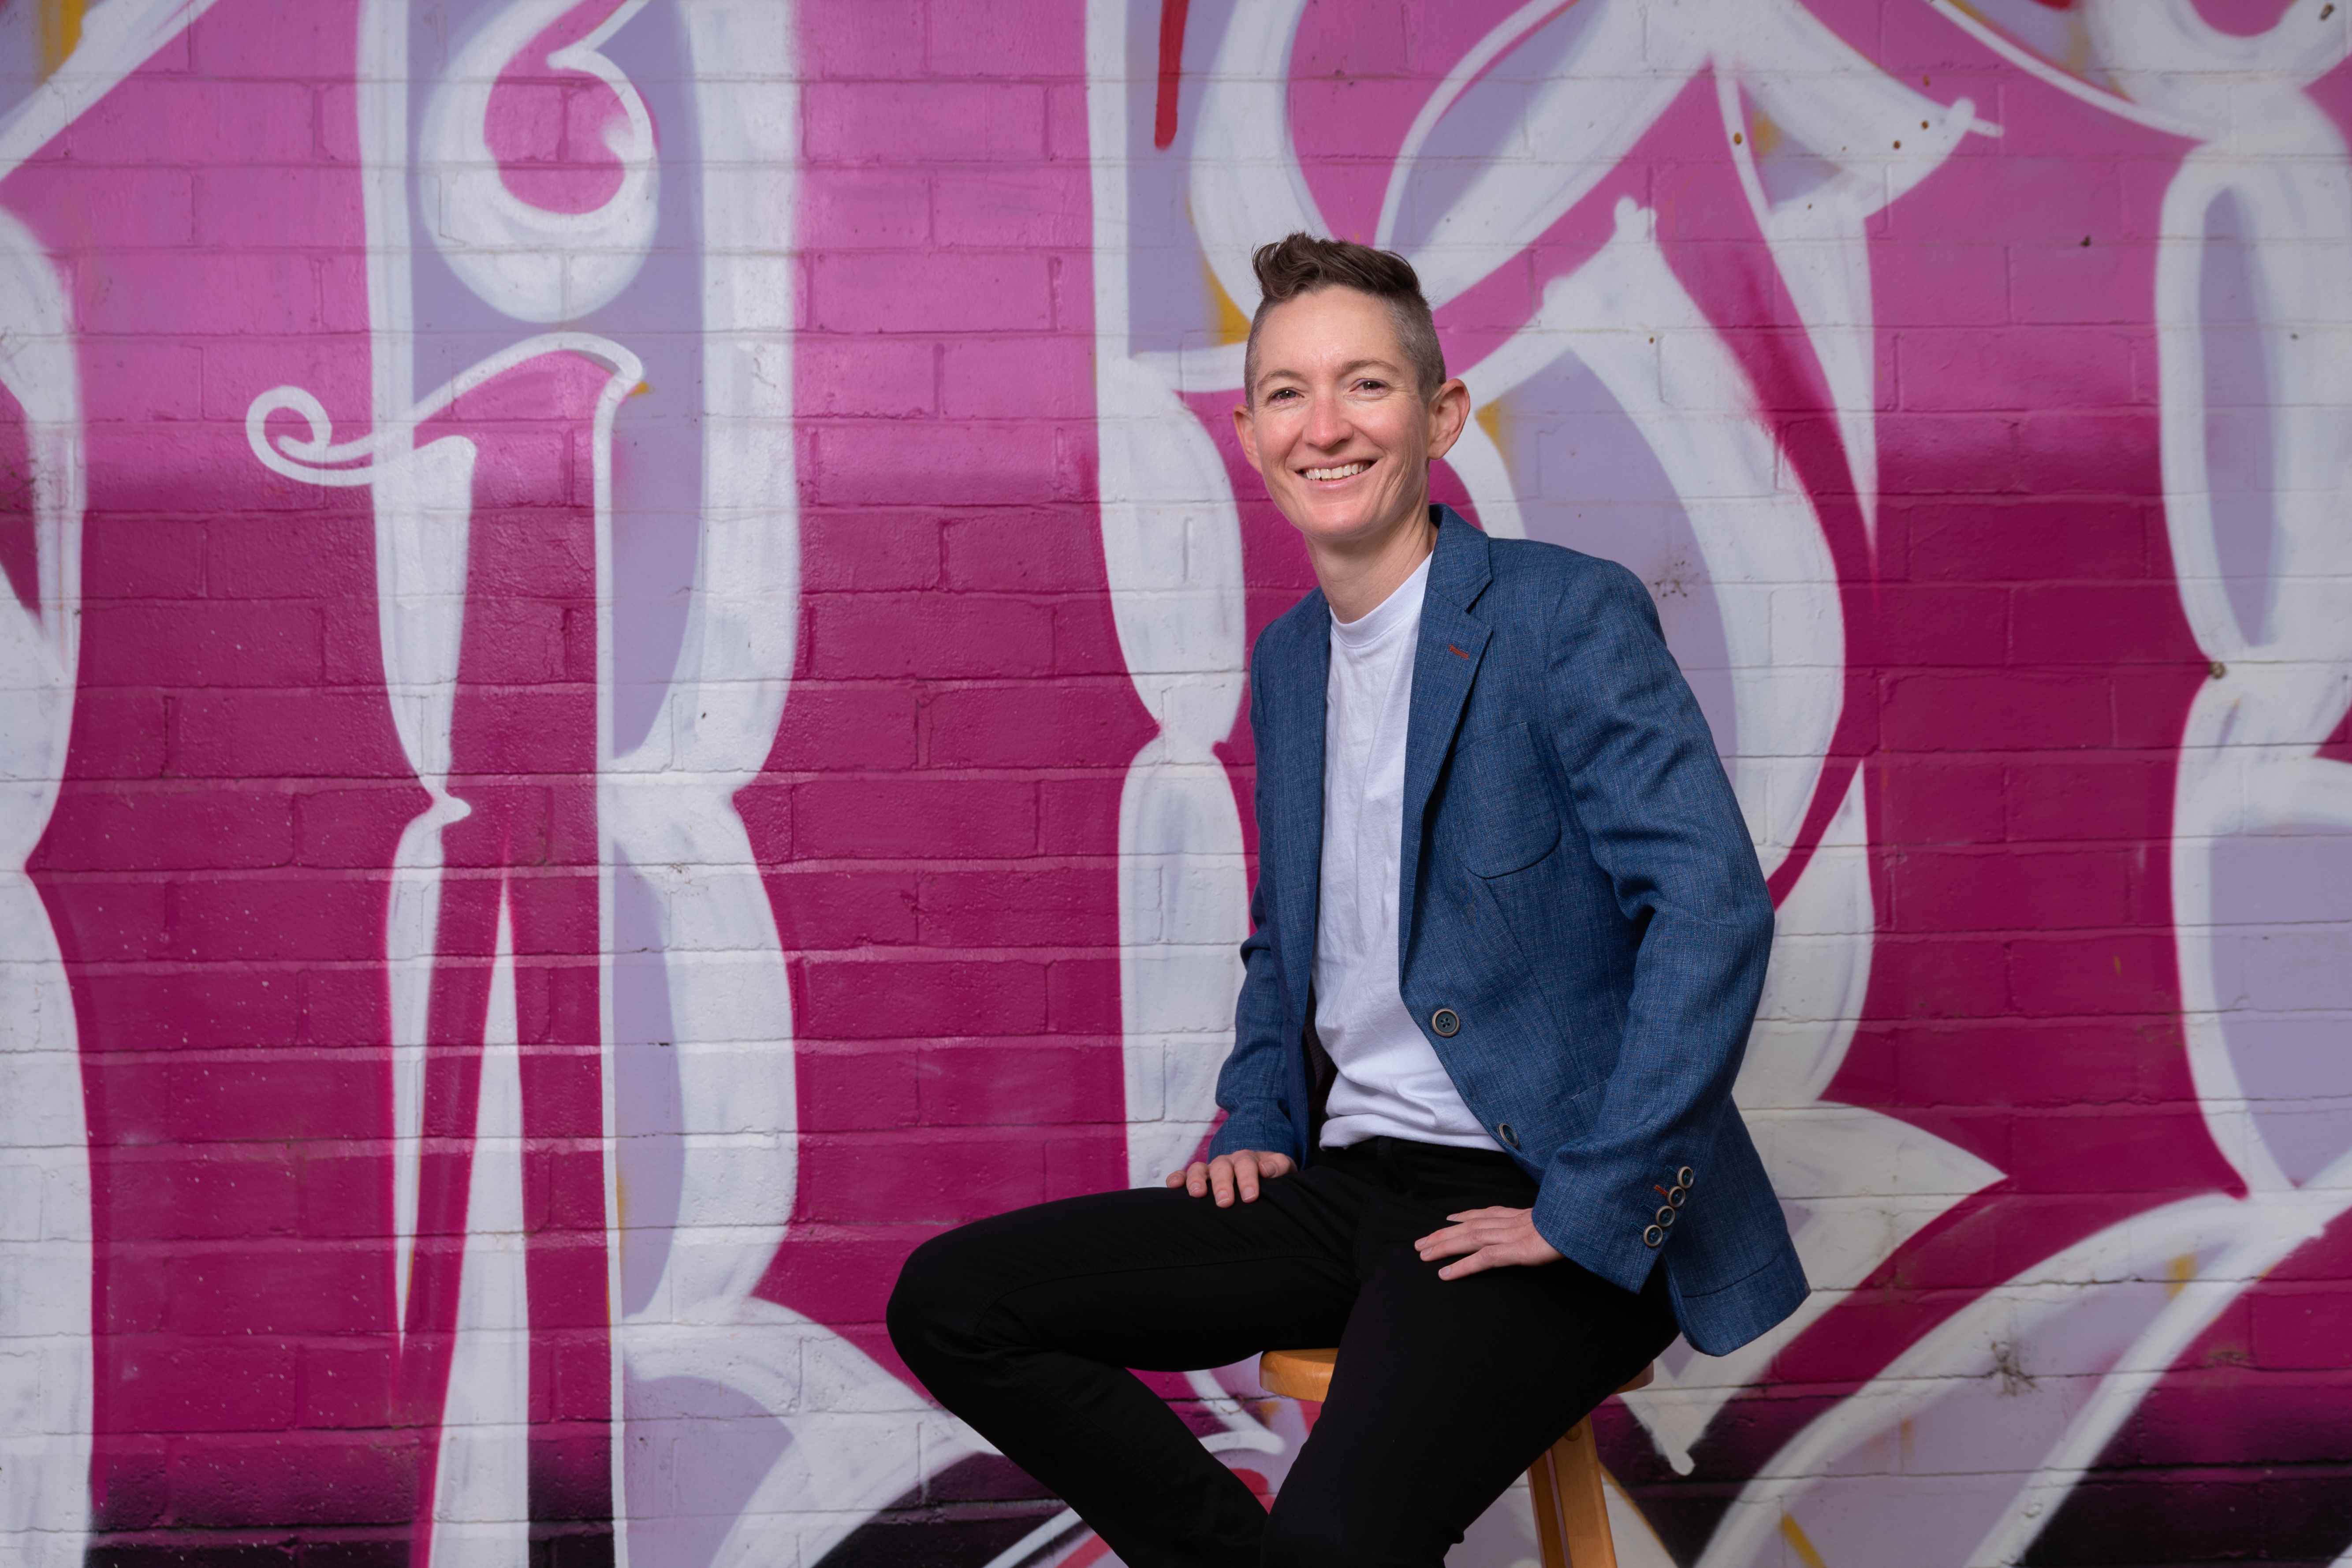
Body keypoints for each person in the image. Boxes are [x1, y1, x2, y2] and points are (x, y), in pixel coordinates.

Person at [887, 234, 1806, 1568]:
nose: (1326, 427)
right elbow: (1290, 931)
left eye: (1366, 386)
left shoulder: (1563, 615)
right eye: (1286, 393)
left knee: (1348, 1538)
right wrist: (1260, 1109)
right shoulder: (1290, 657)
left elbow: (1712, 912)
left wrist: (1585, 1205)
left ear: (1440, 416)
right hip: (1348, 1185)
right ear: (1250, 429)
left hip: (1543, 1196)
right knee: (957, 1302)